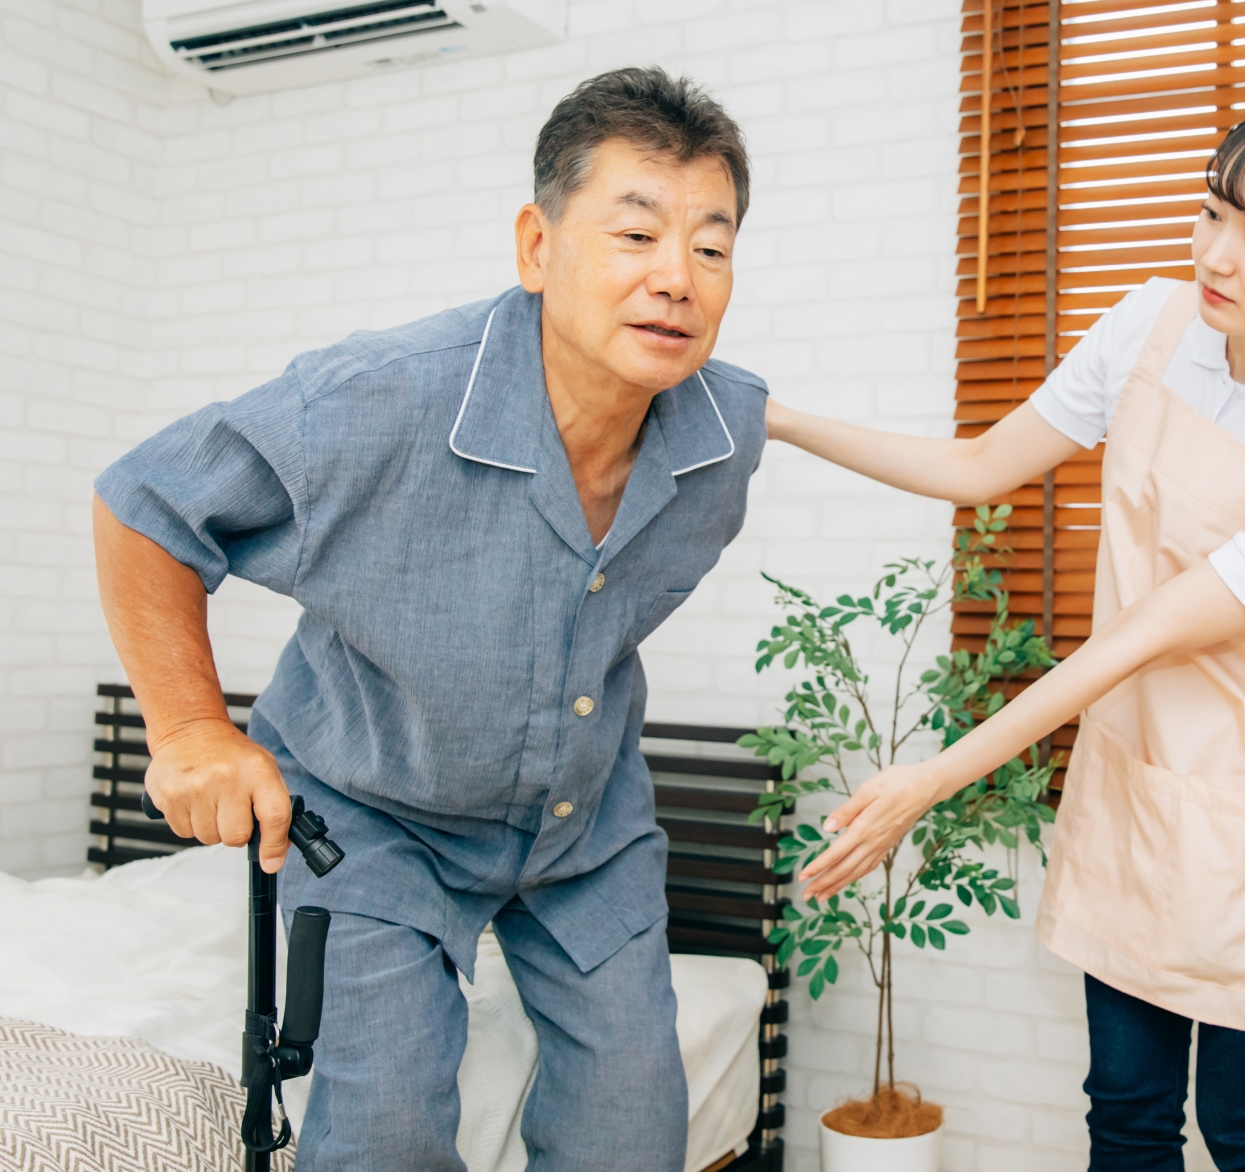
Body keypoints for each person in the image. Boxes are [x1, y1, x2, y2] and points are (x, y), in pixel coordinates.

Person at [768, 95, 1245, 1172]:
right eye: (1212, 213)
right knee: (1125, 1114)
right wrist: (768, 415)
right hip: (1136, 778)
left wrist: (929, 779)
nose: (1216, 255)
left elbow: (1143, 634)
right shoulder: (1153, 322)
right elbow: (976, 467)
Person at [91, 67, 763, 1172]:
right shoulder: (384, 395)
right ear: (537, 248)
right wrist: (190, 730)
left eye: (711, 247)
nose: (676, 279)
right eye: (635, 235)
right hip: (373, 813)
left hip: (583, 825)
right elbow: (146, 502)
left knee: (634, 1126)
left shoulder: (720, 441)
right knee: (383, 1133)